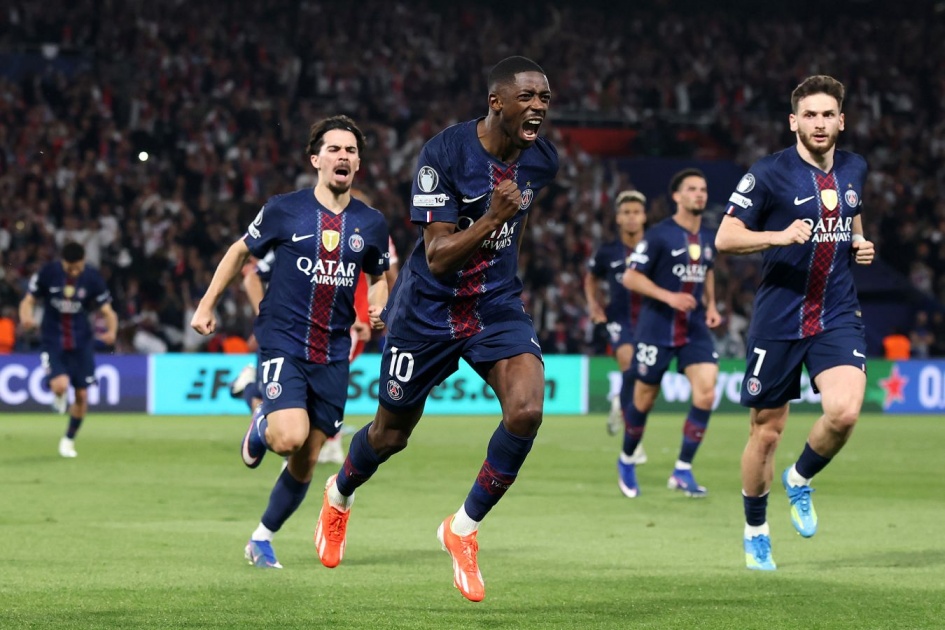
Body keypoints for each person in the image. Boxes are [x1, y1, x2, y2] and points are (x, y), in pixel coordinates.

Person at [313, 56, 558, 603]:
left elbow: (517, 225)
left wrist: (504, 255)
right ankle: (340, 493)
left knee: (526, 411)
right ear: (497, 102)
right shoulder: (444, 154)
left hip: (494, 305)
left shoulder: (542, 160)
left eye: (544, 97)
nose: (539, 107)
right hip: (427, 311)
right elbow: (439, 256)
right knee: (390, 435)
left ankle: (463, 528)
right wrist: (493, 217)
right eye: (527, 96)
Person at [190, 115, 391, 570]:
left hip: (334, 353)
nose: (343, 156)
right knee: (287, 438)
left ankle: (261, 539)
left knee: (307, 459)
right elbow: (240, 251)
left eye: (351, 150)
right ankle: (262, 422)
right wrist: (206, 304)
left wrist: (377, 306)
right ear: (316, 159)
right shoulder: (285, 209)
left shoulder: (371, 223)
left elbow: (378, 277)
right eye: (334, 149)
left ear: (358, 163)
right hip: (284, 341)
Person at [714, 75, 875, 571]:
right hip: (779, 318)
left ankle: (799, 479)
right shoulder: (768, 173)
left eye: (827, 114)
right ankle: (756, 530)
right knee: (766, 433)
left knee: (844, 412)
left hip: (836, 313)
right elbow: (725, 237)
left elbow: (852, 212)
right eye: (810, 115)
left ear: (841, 120)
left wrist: (858, 241)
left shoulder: (855, 167)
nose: (819, 123)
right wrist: (778, 236)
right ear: (793, 122)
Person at [619, 169, 721, 499]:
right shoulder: (659, 235)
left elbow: (707, 270)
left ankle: (682, 469)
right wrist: (670, 297)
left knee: (706, 393)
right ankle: (627, 459)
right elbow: (631, 277)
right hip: (657, 326)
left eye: (703, 189)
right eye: (691, 189)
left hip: (694, 327)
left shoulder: (708, 236)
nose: (699, 194)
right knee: (644, 400)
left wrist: (711, 305)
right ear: (676, 196)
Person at [18, 241, 119, 457]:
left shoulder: (92, 277)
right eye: (70, 268)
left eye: (77, 268)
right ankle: (59, 394)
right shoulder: (48, 273)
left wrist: (112, 331)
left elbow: (108, 311)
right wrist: (26, 318)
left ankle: (68, 440)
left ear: (84, 261)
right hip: (52, 341)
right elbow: (28, 301)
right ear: (62, 262)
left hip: (82, 344)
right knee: (60, 385)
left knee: (82, 394)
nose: (74, 272)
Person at [585, 190, 649, 460]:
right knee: (630, 367)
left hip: (651, 322)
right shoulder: (608, 251)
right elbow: (591, 277)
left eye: (636, 212)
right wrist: (594, 305)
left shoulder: (656, 246)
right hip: (620, 320)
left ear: (644, 216)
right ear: (618, 218)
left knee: (643, 381)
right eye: (626, 213)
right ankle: (633, 443)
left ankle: (618, 402)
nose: (631, 217)